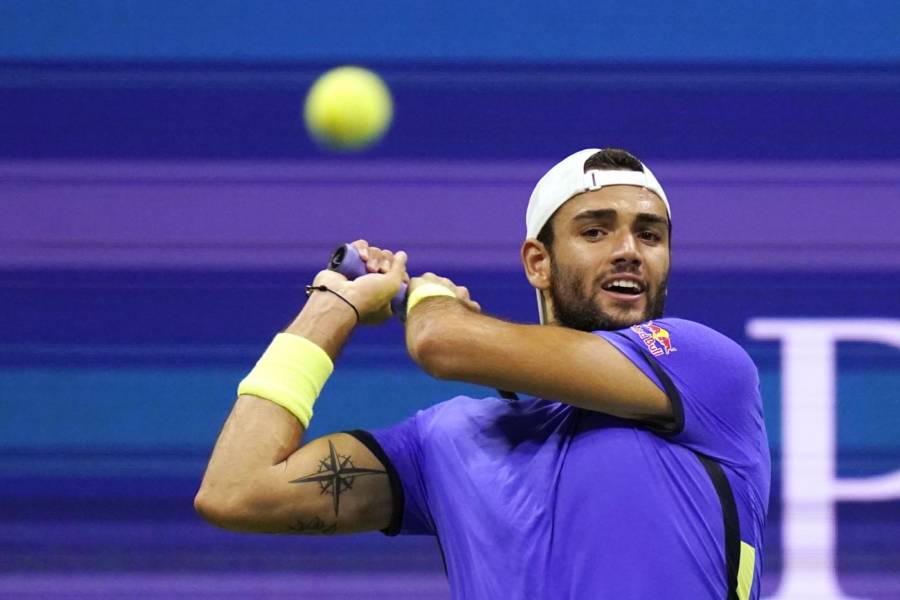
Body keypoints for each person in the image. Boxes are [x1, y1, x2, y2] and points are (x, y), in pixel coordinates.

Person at [195, 148, 770, 599]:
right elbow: (236, 491)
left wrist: (431, 299)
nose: (629, 251)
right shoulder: (445, 441)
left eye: (650, 234)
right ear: (538, 262)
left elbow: (440, 343)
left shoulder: (704, 369)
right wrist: (332, 306)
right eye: (596, 231)